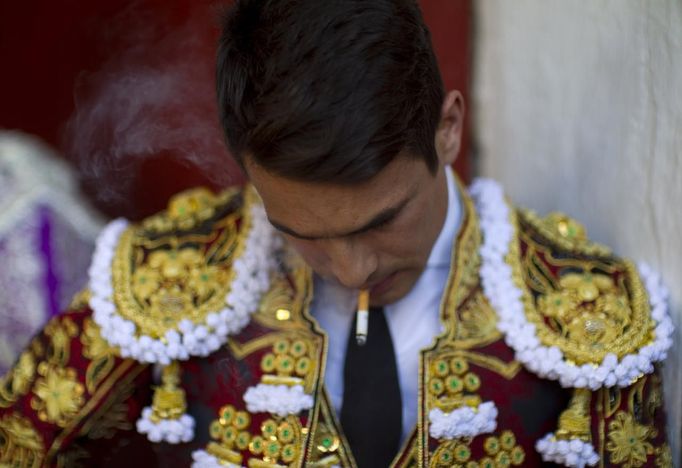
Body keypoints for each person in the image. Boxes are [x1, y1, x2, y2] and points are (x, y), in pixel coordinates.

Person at [0, 0, 673, 467]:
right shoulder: (165, 284)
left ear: (448, 128)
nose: (352, 271)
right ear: (249, 175)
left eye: (384, 219)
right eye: (300, 231)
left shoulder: (591, 318)